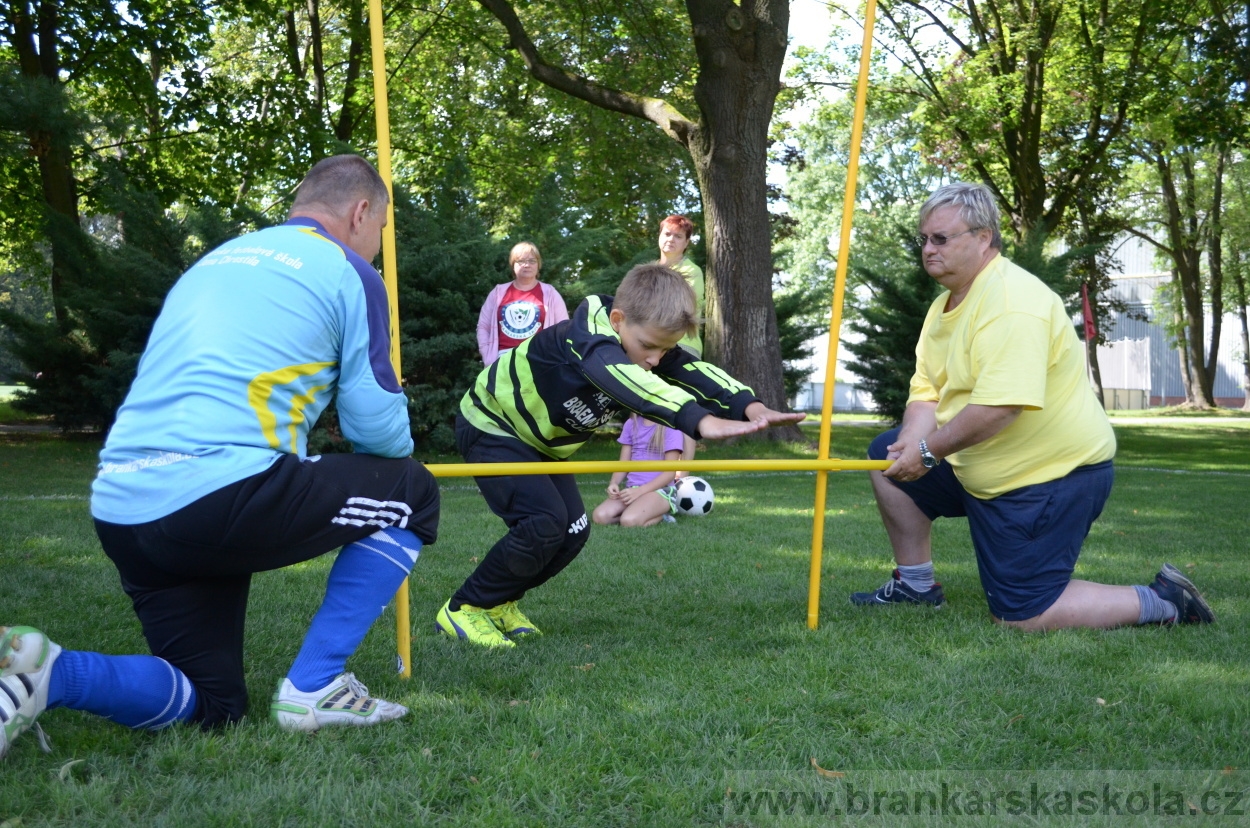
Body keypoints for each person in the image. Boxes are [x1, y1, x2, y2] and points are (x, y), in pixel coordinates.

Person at [1, 155, 441, 761]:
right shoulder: (348, 271)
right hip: (221, 493)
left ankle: (50, 675)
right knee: (411, 489)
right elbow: (377, 430)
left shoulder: (214, 261)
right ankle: (316, 688)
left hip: (122, 508)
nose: (376, 248)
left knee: (213, 707)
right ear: (362, 211)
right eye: (381, 232)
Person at [849, 182, 1214, 631]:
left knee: (1024, 615)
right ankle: (916, 587)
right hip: (979, 466)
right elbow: (927, 391)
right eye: (923, 239)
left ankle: (1165, 600)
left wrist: (927, 453)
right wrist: (909, 442)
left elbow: (1000, 408)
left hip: (1050, 476)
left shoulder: (1011, 304)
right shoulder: (944, 307)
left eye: (940, 239)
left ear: (984, 238)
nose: (928, 249)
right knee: (884, 456)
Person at [435, 264, 806, 648]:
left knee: (572, 531)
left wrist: (750, 406)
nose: (655, 360)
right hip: (493, 424)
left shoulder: (645, 342)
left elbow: (692, 370)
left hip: (542, 446)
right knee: (543, 522)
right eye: (648, 346)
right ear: (618, 320)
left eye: (665, 348)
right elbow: (621, 377)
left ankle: (500, 601)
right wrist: (698, 420)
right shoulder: (589, 338)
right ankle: (465, 608)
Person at [656, 214, 704, 470]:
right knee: (646, 406)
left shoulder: (691, 271)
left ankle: (681, 473)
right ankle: (648, 473)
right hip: (651, 347)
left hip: (682, 347)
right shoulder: (651, 271)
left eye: (678, 236)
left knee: (683, 407)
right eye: (667, 234)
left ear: (686, 243)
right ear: (659, 236)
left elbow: (682, 311)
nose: (671, 240)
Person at [476, 241, 569, 364]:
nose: (527, 265)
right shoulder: (498, 292)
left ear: (538, 265)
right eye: (521, 261)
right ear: (513, 264)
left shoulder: (550, 293)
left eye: (532, 261)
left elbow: (564, 329)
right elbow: (483, 327)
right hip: (502, 361)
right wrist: (488, 356)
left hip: (539, 360)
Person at [592, 412, 684, 528]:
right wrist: (614, 483)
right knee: (600, 516)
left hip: (660, 491)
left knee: (629, 521)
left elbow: (670, 473)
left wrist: (640, 491)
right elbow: (623, 464)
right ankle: (640, 513)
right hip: (633, 489)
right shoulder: (631, 423)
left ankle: (662, 516)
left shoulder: (671, 426)